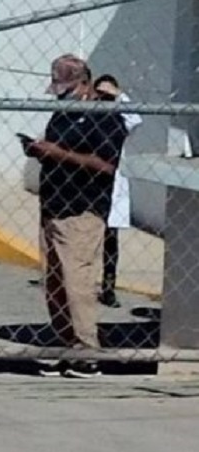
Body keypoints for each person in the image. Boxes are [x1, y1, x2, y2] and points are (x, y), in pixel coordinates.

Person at [22, 55, 127, 379]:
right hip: (53, 205)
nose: (60, 94)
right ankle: (65, 344)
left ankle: (86, 350)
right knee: (53, 281)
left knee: (77, 281)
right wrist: (38, 150)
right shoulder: (63, 113)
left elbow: (107, 165)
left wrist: (57, 153)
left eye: (66, 87)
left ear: (84, 84)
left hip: (82, 209)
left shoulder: (105, 117)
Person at [93, 75, 142, 308]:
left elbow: (136, 118)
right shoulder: (90, 115)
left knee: (111, 238)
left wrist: (119, 96)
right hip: (90, 181)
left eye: (107, 96)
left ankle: (108, 286)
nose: (103, 99)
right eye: (99, 94)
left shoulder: (121, 119)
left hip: (114, 182)